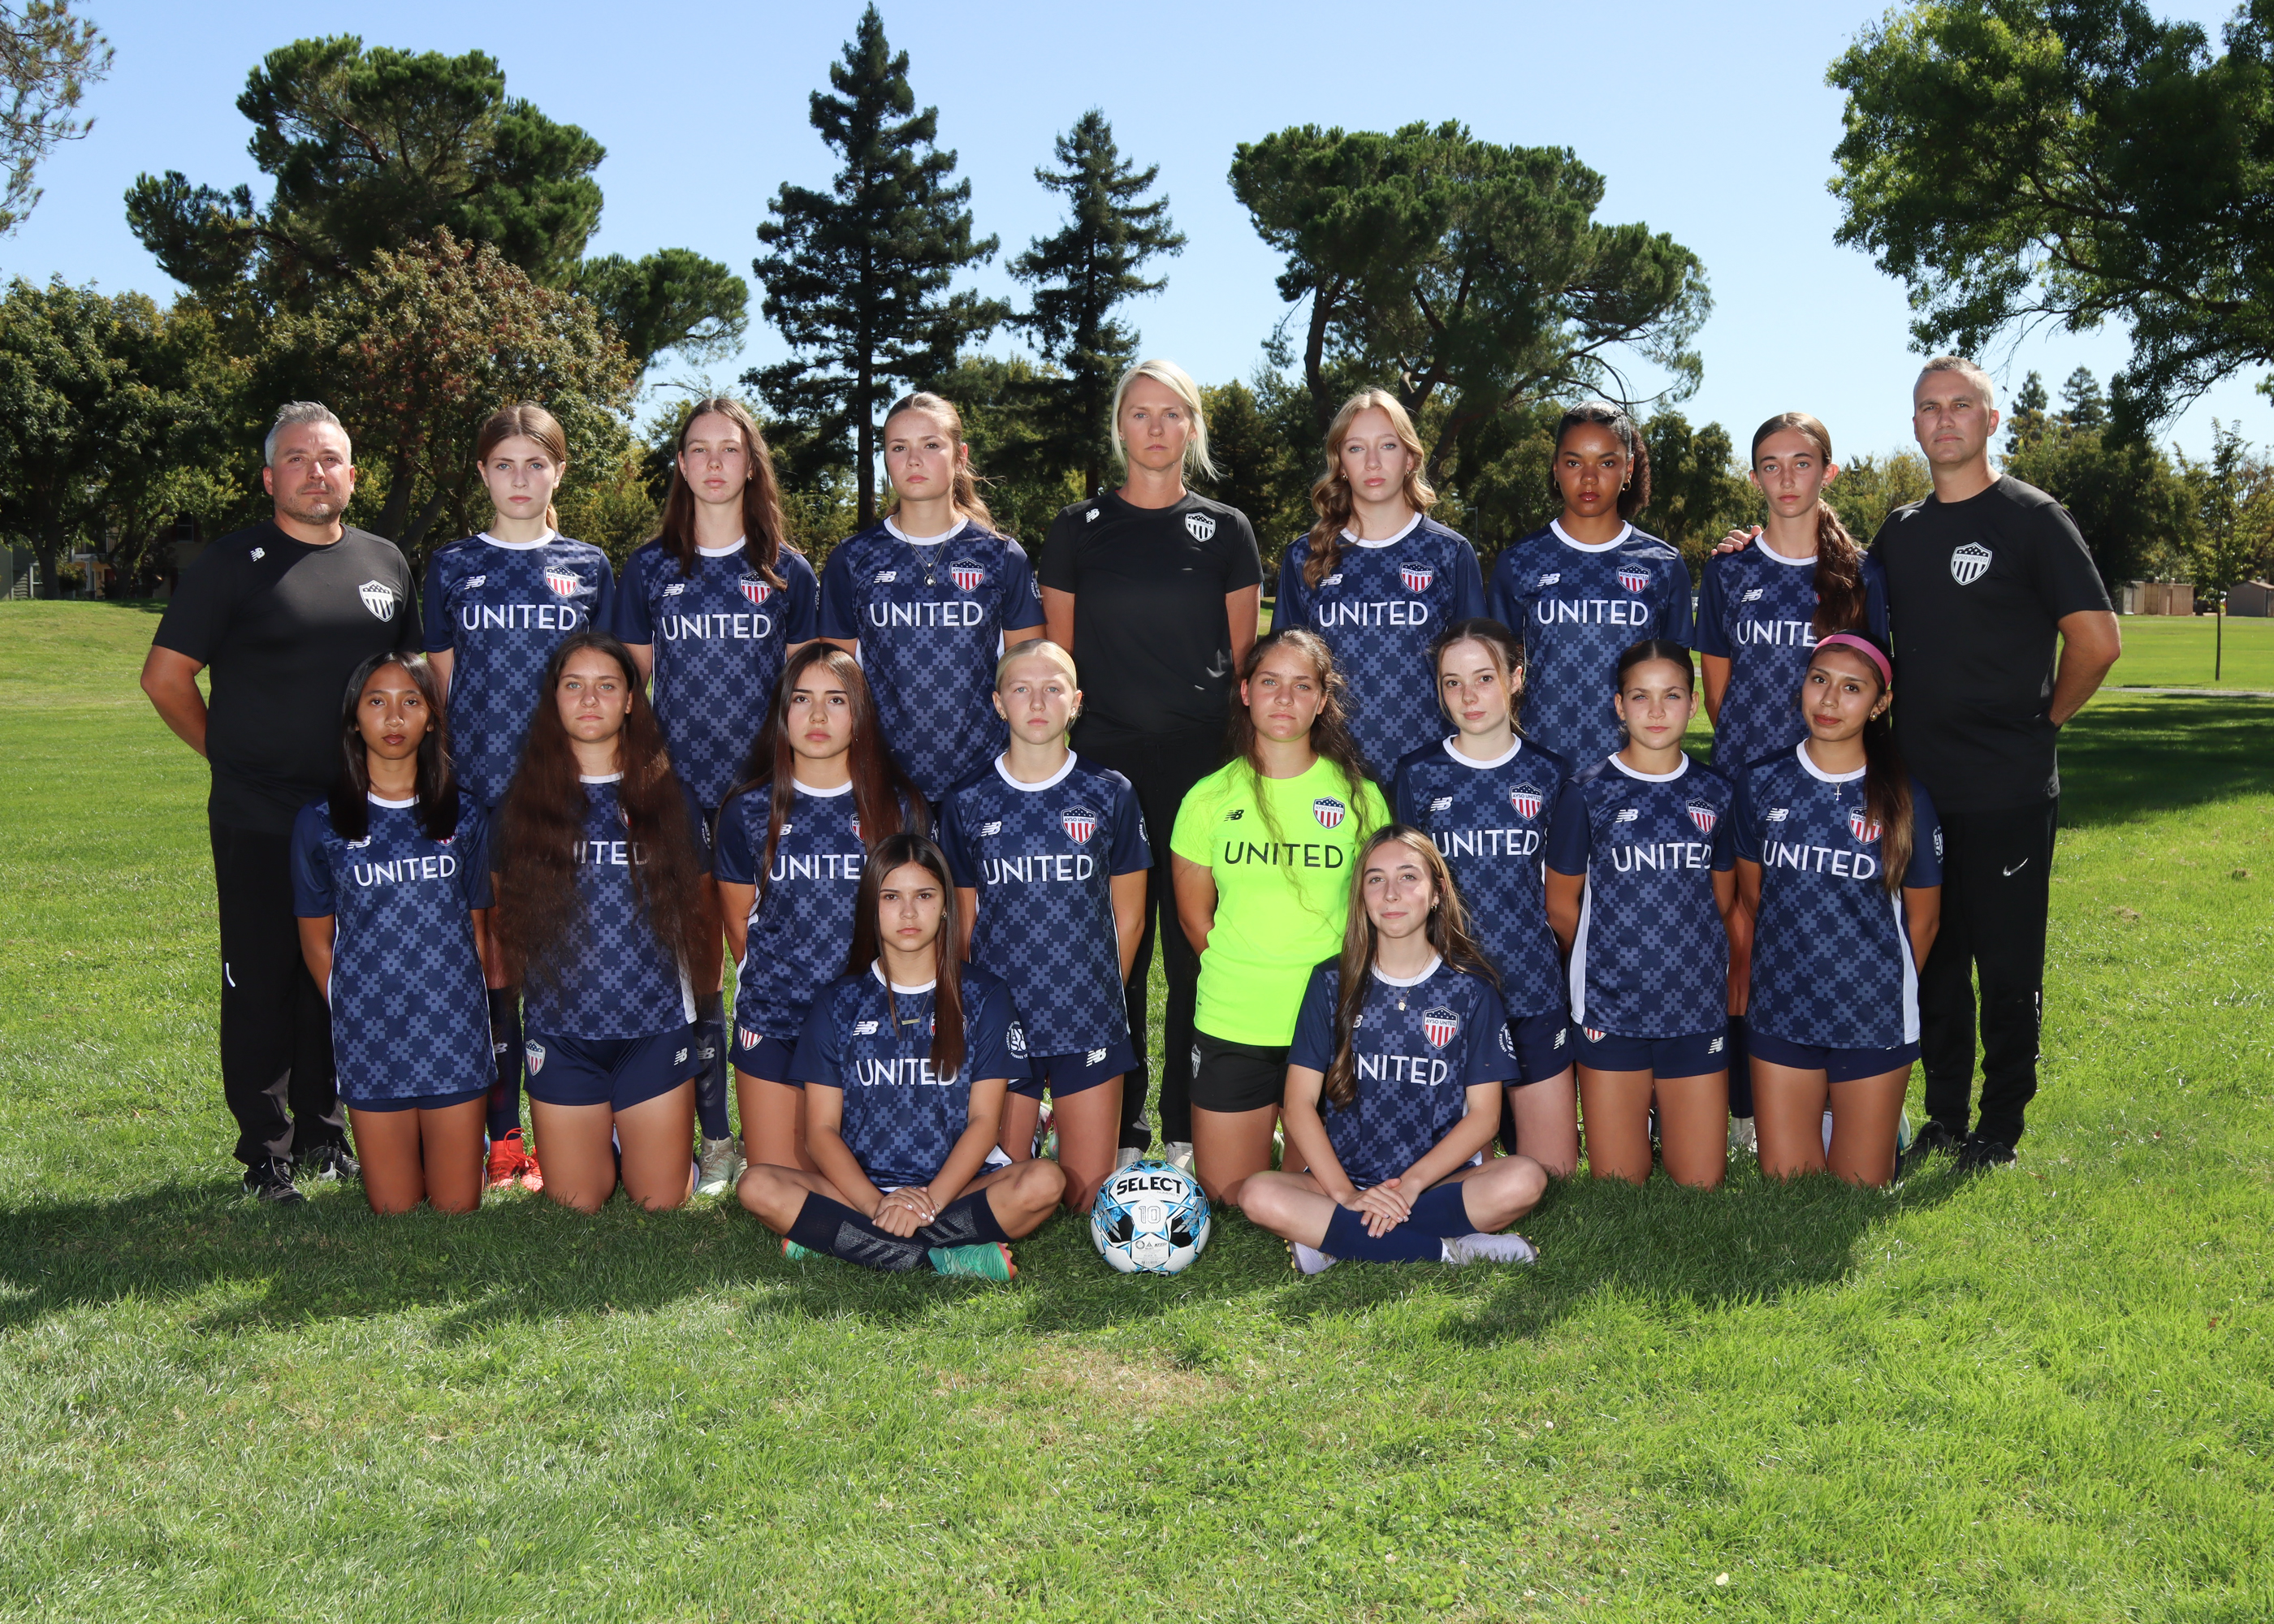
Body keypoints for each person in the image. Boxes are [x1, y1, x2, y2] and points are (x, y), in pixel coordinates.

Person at [1711, 357, 2121, 1168]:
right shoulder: (1901, 533)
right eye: (1929, 407)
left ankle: (1999, 1126)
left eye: (1961, 405)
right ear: (1914, 425)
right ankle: (1943, 1115)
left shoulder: (2033, 518)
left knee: (2006, 963)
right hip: (1913, 785)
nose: (1944, 419)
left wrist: (2042, 723)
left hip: (2004, 786)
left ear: (1990, 420)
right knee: (1931, 954)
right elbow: (1836, 585)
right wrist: (1746, 544)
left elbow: (2098, 641)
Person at [141, 401, 417, 1202]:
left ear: (353, 476)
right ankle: (266, 1150)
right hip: (258, 815)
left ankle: (325, 1134)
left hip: (357, 816)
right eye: (297, 459)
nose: (315, 472)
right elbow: (165, 677)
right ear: (270, 478)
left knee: (335, 975)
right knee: (260, 979)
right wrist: (230, 757)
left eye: (329, 459)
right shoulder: (231, 563)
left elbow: (407, 687)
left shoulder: (385, 562)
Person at [1037, 360, 1265, 1169]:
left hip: (1202, 770)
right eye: (1140, 413)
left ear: (1193, 428)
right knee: (1115, 950)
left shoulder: (1226, 530)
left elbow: (1243, 666)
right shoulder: (1077, 528)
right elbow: (1059, 664)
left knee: (1200, 947)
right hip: (1104, 771)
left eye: (1173, 413)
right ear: (1119, 427)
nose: (1157, 427)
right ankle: (1124, 1127)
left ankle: (1192, 1124)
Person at [616, 398, 818, 1194]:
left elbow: (810, 696)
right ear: (680, 465)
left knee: (772, 959)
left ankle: (803, 1119)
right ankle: (719, 1137)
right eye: (696, 450)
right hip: (677, 798)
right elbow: (627, 692)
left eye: (727, 449)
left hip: (767, 798)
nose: (711, 463)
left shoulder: (788, 571)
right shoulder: (649, 568)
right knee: (699, 971)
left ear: (749, 463)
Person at [422, 403, 613, 1193]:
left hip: (569, 799)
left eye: (536, 463)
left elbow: (608, 687)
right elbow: (444, 689)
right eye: (504, 464)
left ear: (559, 471)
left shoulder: (589, 566)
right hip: (479, 798)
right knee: (496, 964)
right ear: (482, 473)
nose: (520, 478)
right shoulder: (451, 566)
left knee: (571, 959)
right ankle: (505, 1139)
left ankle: (590, 1127)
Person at [737, 834, 1066, 1278]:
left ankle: (844, 1241)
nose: (908, 912)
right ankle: (940, 1257)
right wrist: (878, 1204)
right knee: (757, 1185)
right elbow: (820, 1131)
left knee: (1045, 1181)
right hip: (859, 1191)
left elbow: (984, 1123)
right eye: (891, 897)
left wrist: (927, 1202)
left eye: (924, 896)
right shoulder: (837, 1003)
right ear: (871, 907)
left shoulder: (985, 996)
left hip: (958, 1189)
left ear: (945, 905)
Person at [1694, 412, 1888, 1147]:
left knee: (1831, 938)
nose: (1786, 478)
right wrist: (1760, 761)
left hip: (1833, 785)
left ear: (1827, 472)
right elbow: (1719, 696)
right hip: (1747, 782)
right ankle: (1748, 1106)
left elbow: (1873, 678)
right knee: (1743, 941)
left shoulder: (1861, 574)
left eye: (1801, 463)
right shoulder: (1729, 570)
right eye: (1770, 465)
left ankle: (1849, 1093)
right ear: (1754, 478)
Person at [1241, 827, 1546, 1272]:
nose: (1391, 894)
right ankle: (1451, 1251)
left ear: (1437, 893)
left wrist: (1410, 1185)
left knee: (1524, 1179)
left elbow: (1485, 1117)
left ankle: (1335, 1239)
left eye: (1408, 877)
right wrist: (1347, 1194)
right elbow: (1299, 1102)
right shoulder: (1331, 982)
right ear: (1361, 896)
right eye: (1376, 879)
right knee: (1257, 1194)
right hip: (1341, 1181)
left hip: (1436, 1183)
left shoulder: (1471, 990)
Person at [491, 633, 714, 1214]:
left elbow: (700, 917)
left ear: (631, 699)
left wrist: (703, 1013)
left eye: (607, 686)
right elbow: (502, 923)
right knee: (576, 1202)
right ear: (554, 698)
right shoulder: (520, 805)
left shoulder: (671, 798)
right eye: (574, 685)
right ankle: (604, 1138)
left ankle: (644, 1139)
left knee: (660, 1202)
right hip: (562, 1034)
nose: (590, 700)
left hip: (652, 1028)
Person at [1168, 629, 1390, 1207]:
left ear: (1322, 700)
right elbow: (1194, 918)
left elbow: (1379, 915)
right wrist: (1249, 973)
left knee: (1308, 1193)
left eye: (1302, 686)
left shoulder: (1360, 798)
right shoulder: (1207, 798)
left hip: (1329, 1022)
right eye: (1270, 682)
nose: (1285, 698)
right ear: (1245, 692)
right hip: (1236, 1015)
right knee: (1229, 1197)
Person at [940, 640, 1149, 1212]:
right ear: (998, 703)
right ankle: (1027, 1125)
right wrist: (971, 1011)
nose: (1037, 702)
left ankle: (1062, 1123)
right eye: (1021, 689)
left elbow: (1129, 915)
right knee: (1004, 1188)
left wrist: (1102, 996)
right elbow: (963, 920)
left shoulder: (1110, 792)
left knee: (1085, 1199)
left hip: (1087, 1015)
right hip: (1002, 1017)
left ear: (1076, 702)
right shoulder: (967, 800)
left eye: (1053, 688)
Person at [1733, 634, 1943, 1186]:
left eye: (1853, 689)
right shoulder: (1761, 782)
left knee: (1859, 1192)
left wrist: (1879, 987)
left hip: (1871, 1014)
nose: (1829, 700)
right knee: (1789, 1188)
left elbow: (1923, 920)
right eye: (1819, 680)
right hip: (1782, 1006)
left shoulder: (1905, 796)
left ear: (1879, 704)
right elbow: (1754, 898)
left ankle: (1879, 1122)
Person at [291, 654, 493, 1215]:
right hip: (371, 1032)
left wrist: (465, 1008)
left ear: (431, 718)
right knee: (395, 1210)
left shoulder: (465, 815)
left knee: (457, 1207)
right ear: (355, 720)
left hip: (453, 1029)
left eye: (411, 701)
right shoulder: (320, 821)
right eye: (376, 702)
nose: (394, 717)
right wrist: (352, 1008)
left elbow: (479, 930)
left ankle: (470, 1145)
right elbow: (316, 941)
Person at [715, 644, 925, 1177]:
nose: (816, 716)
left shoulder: (898, 807)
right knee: (774, 1184)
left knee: (877, 1178)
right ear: (782, 711)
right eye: (802, 699)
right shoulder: (748, 809)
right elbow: (739, 923)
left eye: (835, 700)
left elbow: (920, 921)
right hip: (776, 1019)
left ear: (859, 714)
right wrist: (782, 979)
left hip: (875, 1019)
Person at [1543, 640, 1739, 1189]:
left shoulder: (1717, 792)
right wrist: (1605, 963)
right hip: (1611, 1007)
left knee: (1701, 1183)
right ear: (1619, 705)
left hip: (1694, 1005)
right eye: (1640, 696)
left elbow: (1722, 900)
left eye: (1671, 696)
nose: (1656, 711)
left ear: (1693, 704)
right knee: (1619, 1183)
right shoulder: (1586, 793)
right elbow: (1561, 906)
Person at [1393, 619, 1580, 1177]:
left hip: (1530, 986)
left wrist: (1548, 959)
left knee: (1552, 1174)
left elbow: (1562, 903)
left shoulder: (1550, 774)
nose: (1468, 696)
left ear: (1516, 678)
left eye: (1484, 678)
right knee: (1456, 1177)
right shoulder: (1418, 774)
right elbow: (1403, 896)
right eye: (1452, 682)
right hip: (1448, 992)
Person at [818, 392, 1045, 810]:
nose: (913, 460)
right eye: (898, 448)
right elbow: (833, 687)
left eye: (930, 445)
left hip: (986, 784)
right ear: (885, 460)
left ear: (960, 456)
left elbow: (1029, 681)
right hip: (882, 785)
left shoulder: (1001, 557)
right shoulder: (852, 559)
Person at [1274, 390, 1485, 780]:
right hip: (1329, 774)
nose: (1372, 462)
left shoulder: (1449, 553)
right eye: (1356, 448)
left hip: (1432, 776)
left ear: (1410, 459)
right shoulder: (1305, 556)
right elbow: (1284, 680)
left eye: (1387, 445)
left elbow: (1480, 679)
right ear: (1340, 464)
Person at [1484, 401, 1689, 767]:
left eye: (1607, 463)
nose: (1589, 478)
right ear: (1556, 468)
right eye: (1574, 462)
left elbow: (1675, 688)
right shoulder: (1518, 563)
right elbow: (1498, 682)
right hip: (1541, 770)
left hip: (1635, 772)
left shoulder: (1664, 564)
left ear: (1628, 469)